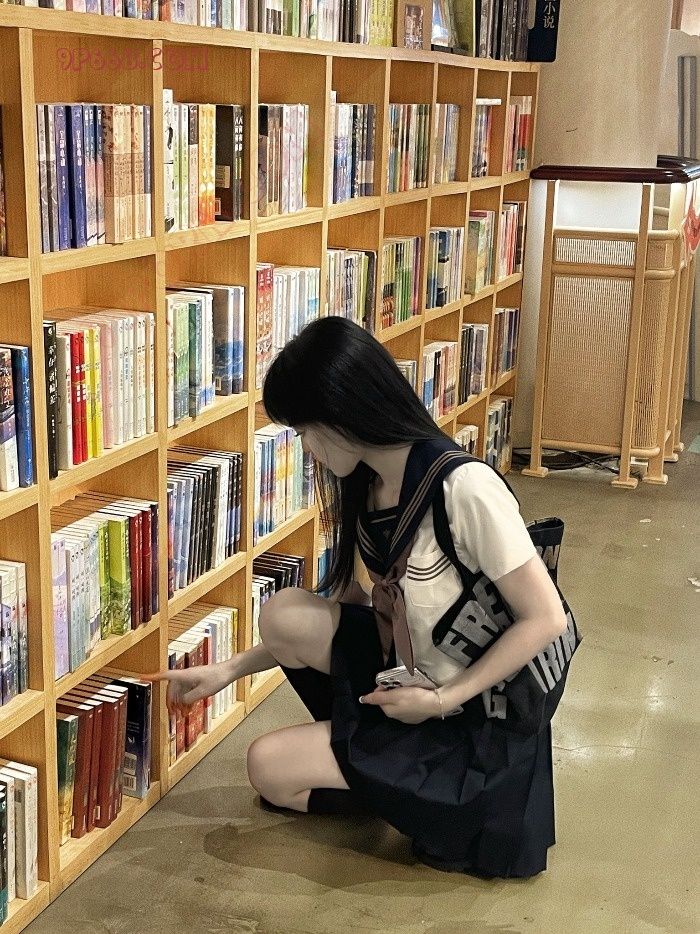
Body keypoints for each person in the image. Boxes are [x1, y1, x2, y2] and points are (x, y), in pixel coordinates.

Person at [148, 316, 571, 879]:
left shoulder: (463, 488)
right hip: (410, 681)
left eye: (306, 430)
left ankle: (403, 784)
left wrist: (441, 701)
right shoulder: (367, 486)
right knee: (283, 616)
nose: (306, 447)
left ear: (344, 413)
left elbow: (545, 618)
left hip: (471, 718)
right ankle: (384, 773)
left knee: (268, 765)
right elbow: (379, 613)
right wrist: (229, 670)